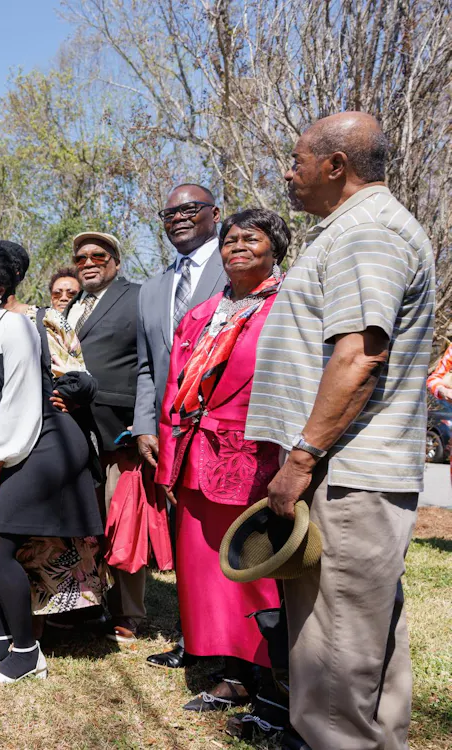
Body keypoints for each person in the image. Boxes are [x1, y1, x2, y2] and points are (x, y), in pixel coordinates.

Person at [246, 112, 434, 750]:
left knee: (333, 663)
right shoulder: (354, 231)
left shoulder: (368, 233)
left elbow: (358, 356)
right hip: (346, 472)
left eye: (296, 161)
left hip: (345, 476)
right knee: (361, 646)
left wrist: (301, 459)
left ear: (335, 167)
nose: (288, 174)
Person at [155, 209, 287, 716]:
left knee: (256, 570)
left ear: (274, 248)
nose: (237, 247)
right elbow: (173, 388)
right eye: (230, 239)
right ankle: (231, 675)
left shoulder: (290, 306)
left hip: (256, 459)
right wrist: (169, 462)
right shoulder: (203, 312)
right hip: (194, 456)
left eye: (250, 239)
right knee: (206, 571)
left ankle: (274, 685)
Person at [0, 242, 103, 683]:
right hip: (11, 444)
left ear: (2, 289)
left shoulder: (17, 327)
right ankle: (0, 641)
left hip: (47, 442)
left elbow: (21, 402)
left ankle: (26, 652)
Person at [133, 184, 227, 668]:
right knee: (183, 533)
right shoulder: (153, 288)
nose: (178, 218)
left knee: (222, 537)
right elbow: (148, 366)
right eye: (168, 213)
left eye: (189, 209)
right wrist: (146, 424)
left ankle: (234, 643)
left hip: (224, 428)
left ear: (215, 212)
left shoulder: (237, 267)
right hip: (170, 431)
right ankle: (192, 636)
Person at [64, 231, 143, 643]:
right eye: (81, 258)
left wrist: (146, 421)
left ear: (115, 260)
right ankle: (89, 602)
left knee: (121, 519)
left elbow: (150, 365)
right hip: (72, 431)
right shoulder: (72, 307)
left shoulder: (137, 297)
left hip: (120, 431)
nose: (89, 262)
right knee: (87, 522)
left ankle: (129, 612)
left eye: (98, 255)